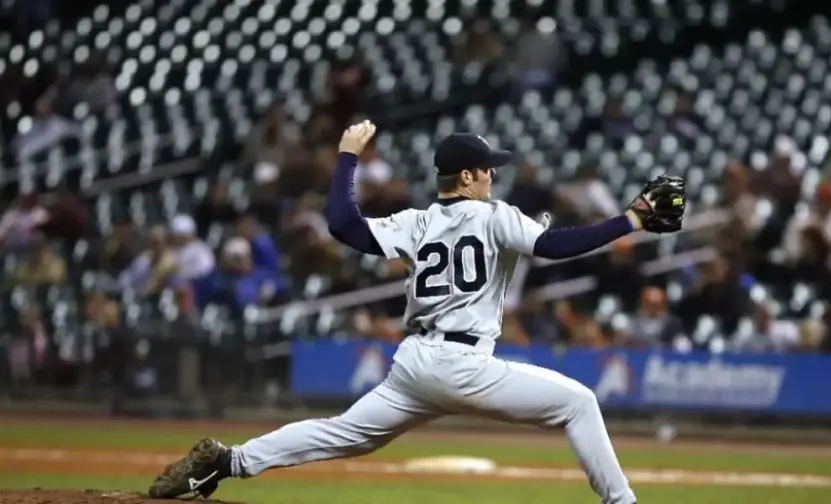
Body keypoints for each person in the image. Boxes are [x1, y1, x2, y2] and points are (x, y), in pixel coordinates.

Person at [148, 121, 686, 503]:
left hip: (416, 363)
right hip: (464, 364)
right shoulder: (495, 215)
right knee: (579, 402)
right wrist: (631, 220)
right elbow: (556, 247)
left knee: (344, 433)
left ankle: (230, 460)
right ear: (469, 177)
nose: (493, 177)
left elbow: (342, 224)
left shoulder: (415, 222)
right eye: (487, 170)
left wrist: (347, 155)